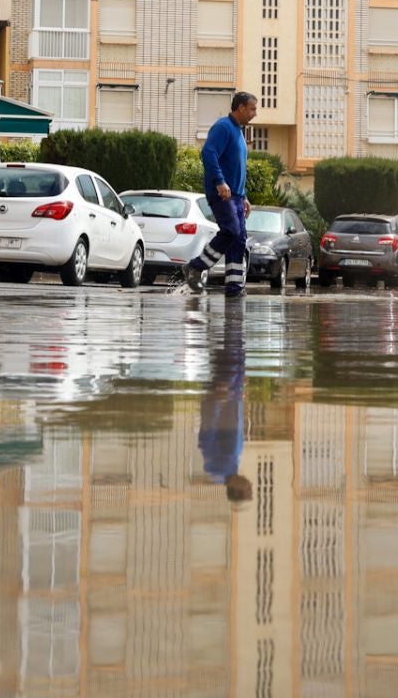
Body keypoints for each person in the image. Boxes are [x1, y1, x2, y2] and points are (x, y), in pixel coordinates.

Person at [179, 91, 258, 299]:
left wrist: (244, 196)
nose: (254, 114)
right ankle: (195, 267)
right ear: (240, 108)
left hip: (236, 197)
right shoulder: (223, 127)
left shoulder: (239, 132)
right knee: (231, 232)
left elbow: (237, 168)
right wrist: (220, 182)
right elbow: (208, 153)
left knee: (239, 241)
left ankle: (234, 288)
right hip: (222, 195)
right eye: (252, 109)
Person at [198, 302, 252, 504]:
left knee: (230, 348)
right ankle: (228, 311)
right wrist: (240, 392)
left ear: (235, 489)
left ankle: (226, 309)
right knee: (235, 351)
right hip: (232, 393)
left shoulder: (218, 467)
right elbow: (236, 426)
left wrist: (216, 399)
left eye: (247, 490)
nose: (250, 485)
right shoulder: (230, 468)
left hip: (222, 393)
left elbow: (208, 433)